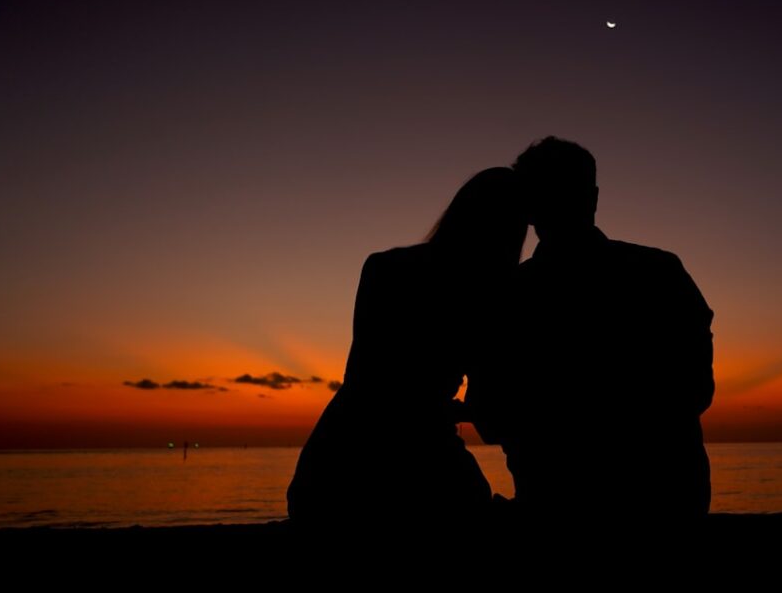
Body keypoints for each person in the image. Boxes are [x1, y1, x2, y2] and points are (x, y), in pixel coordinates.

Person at [469, 137, 715, 520]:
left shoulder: (507, 296)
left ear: (529, 209)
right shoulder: (659, 272)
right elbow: (694, 389)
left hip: (558, 504)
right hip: (665, 501)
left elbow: (490, 416)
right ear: (594, 197)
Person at [287, 167, 526, 523]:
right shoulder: (491, 294)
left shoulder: (383, 267)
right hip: (420, 465)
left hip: (330, 463)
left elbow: (368, 377)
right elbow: (488, 411)